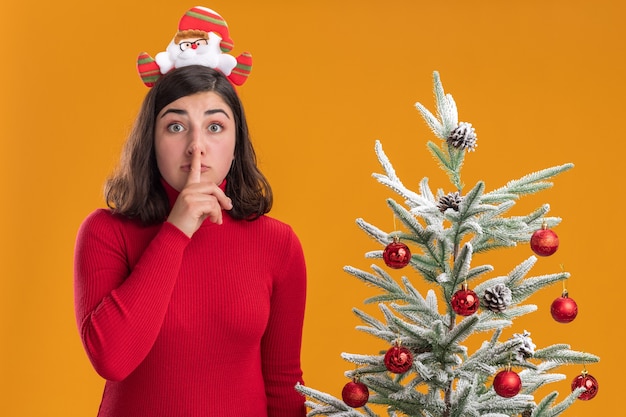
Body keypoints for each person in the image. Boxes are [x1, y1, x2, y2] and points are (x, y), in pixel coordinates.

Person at [73, 7, 307, 417]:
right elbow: (112, 358)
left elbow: (283, 386)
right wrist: (176, 231)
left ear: (236, 143)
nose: (196, 146)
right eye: (176, 126)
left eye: (215, 127)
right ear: (152, 139)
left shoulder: (278, 244)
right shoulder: (105, 232)